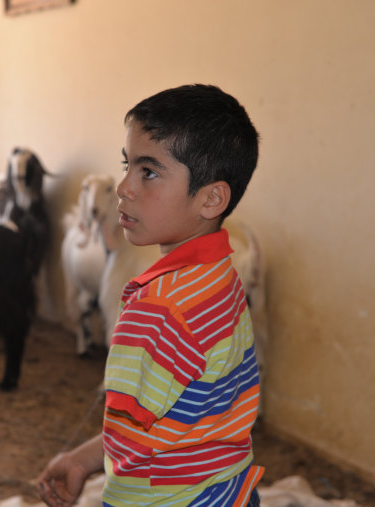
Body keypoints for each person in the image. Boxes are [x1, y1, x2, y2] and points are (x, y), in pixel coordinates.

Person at [37, 84, 263, 506]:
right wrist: (84, 459)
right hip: (229, 493)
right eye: (128, 166)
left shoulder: (157, 310)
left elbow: (129, 445)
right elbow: (158, 420)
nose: (124, 187)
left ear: (211, 198)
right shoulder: (219, 277)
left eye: (149, 172)